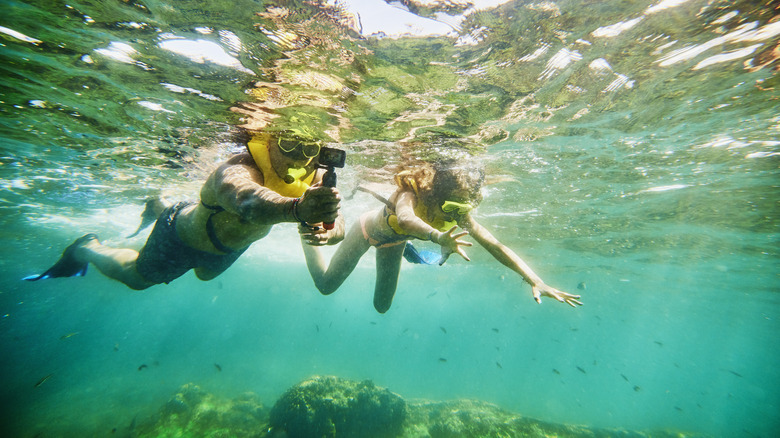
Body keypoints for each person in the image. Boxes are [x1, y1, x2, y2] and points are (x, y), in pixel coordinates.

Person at [24, 129, 344, 289]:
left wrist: (328, 233)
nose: (299, 157)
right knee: (136, 278)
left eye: (309, 148)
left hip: (227, 251)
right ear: (268, 140)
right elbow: (247, 202)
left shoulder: (314, 176)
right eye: (288, 143)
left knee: (205, 276)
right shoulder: (238, 167)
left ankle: (160, 204)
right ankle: (86, 248)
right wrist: (298, 211)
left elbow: (338, 224)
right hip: (182, 237)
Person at [299, 162, 582, 313]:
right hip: (366, 232)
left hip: (395, 242)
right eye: (452, 205)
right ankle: (305, 235)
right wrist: (438, 237)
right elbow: (407, 219)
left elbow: (493, 243)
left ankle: (407, 249)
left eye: (464, 206)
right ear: (436, 193)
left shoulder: (458, 210)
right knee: (326, 285)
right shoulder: (413, 194)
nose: (457, 213)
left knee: (382, 307)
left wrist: (535, 279)